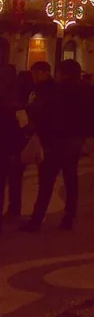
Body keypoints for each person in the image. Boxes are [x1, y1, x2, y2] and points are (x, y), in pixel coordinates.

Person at [21, 59, 91, 231]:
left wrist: (39, 133)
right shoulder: (85, 91)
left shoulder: (57, 92)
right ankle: (69, 217)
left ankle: (37, 220)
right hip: (74, 140)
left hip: (55, 140)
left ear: (62, 73)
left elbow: (46, 115)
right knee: (71, 179)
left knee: (46, 182)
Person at [0, 65, 26, 231]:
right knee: (14, 179)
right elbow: (22, 127)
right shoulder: (17, 103)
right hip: (12, 146)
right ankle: (14, 208)